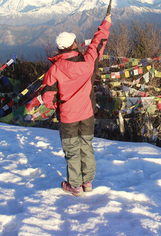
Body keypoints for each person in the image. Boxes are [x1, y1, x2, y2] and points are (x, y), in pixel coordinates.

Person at [42, 14, 111, 196]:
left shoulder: (54, 69)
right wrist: (106, 22)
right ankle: (87, 182)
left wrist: (55, 105)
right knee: (86, 146)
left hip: (67, 117)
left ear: (58, 48)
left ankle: (75, 186)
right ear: (74, 44)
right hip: (87, 113)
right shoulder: (88, 62)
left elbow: (47, 97)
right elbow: (98, 43)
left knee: (72, 150)